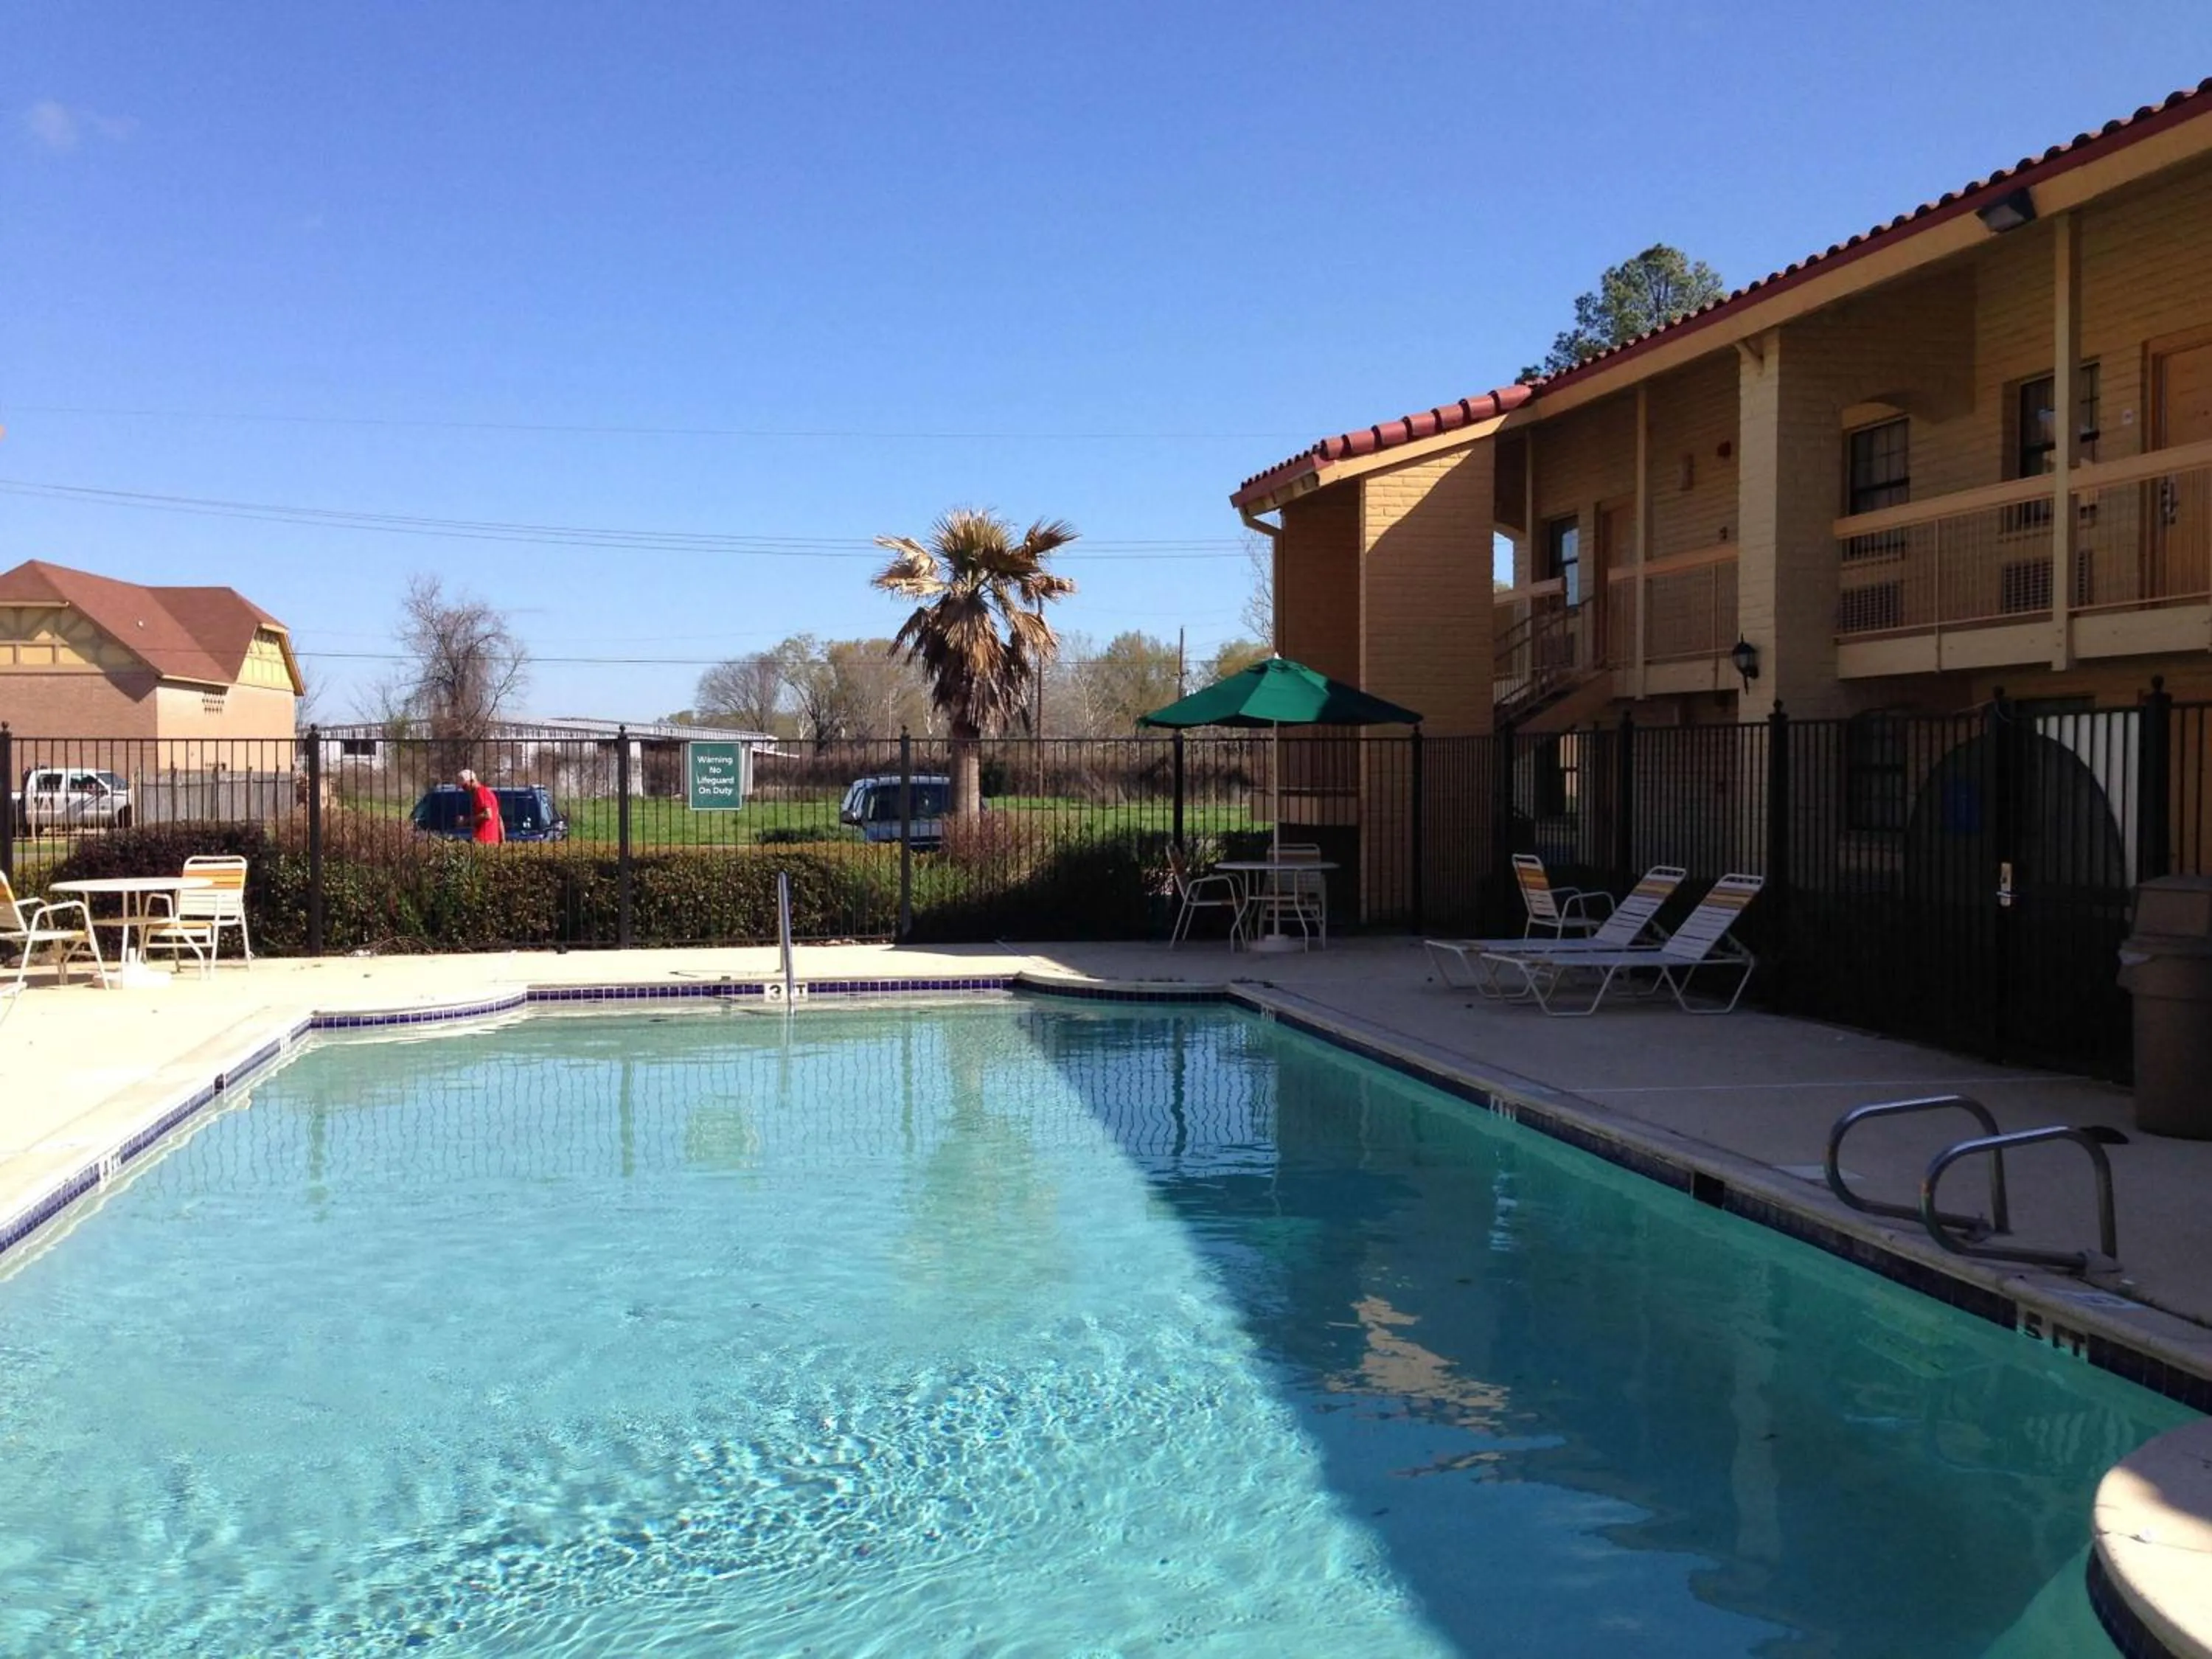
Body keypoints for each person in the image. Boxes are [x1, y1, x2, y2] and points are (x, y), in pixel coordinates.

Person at [458, 768, 504, 845]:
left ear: (472, 781)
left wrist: (465, 821)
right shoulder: (487, 792)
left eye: (465, 786)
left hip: (483, 841)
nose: (464, 790)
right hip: (493, 841)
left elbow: (488, 815)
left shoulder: (480, 792)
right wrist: (503, 840)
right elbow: (498, 817)